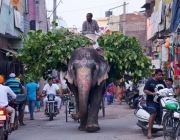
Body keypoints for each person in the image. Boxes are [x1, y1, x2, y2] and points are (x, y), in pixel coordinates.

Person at [143, 69, 167, 139]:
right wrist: (152, 93)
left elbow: (166, 90)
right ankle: (149, 131)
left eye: (161, 75)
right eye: (159, 75)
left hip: (161, 103)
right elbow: (145, 90)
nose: (161, 76)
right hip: (151, 102)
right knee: (153, 114)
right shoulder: (149, 82)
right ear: (155, 75)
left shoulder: (162, 82)